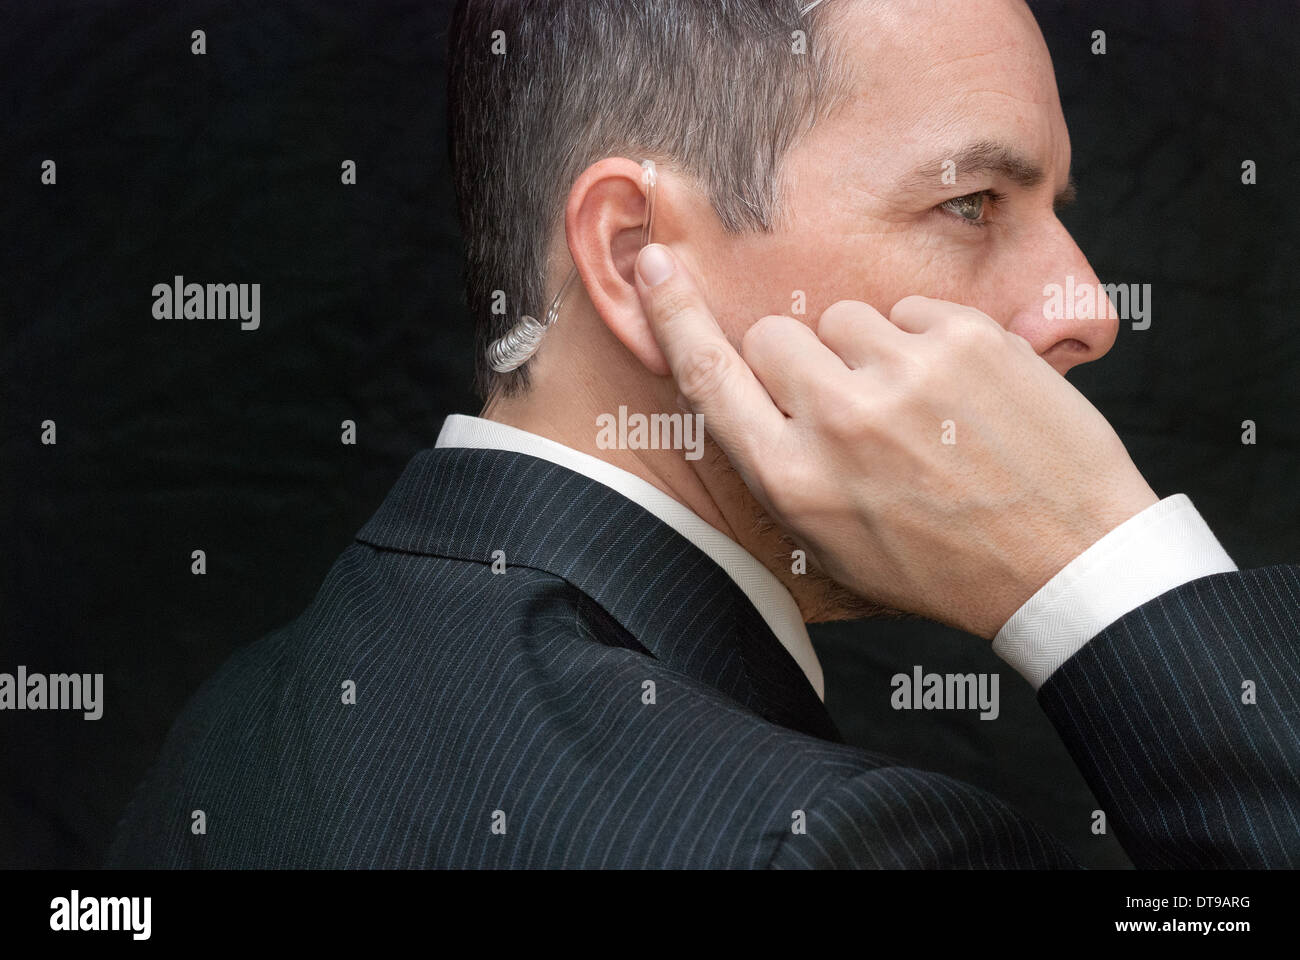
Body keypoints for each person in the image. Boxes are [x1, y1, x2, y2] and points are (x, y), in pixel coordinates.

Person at [106, 0, 1298, 868]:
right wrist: (1110, 579)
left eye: (1053, 212)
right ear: (634, 257)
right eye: (971, 203)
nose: (1086, 309)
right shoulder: (827, 846)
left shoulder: (235, 729)